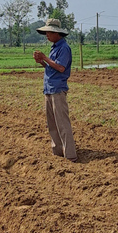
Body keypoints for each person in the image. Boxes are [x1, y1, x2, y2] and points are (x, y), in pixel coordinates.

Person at [33, 19, 77, 162]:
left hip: (58, 89)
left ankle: (70, 155)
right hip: (49, 88)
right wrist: (42, 62)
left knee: (62, 123)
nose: (46, 35)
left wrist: (45, 57)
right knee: (52, 123)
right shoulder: (55, 48)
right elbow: (52, 69)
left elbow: (61, 68)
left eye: (49, 32)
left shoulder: (64, 48)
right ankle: (57, 152)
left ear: (56, 33)